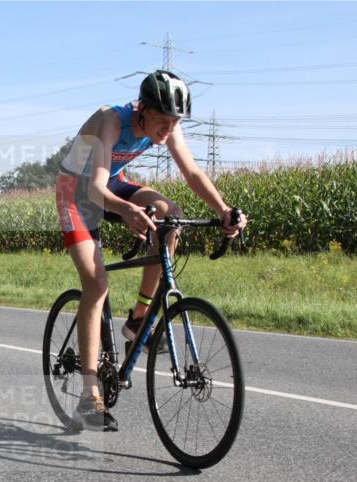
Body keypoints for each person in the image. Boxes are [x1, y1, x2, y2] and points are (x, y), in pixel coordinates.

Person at [56, 70, 248, 431]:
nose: (168, 128)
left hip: (112, 183)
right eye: (162, 120)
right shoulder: (111, 120)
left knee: (170, 216)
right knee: (96, 285)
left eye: (175, 121)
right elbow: (94, 188)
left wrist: (224, 211)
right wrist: (127, 210)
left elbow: (192, 173)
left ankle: (138, 320)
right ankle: (88, 394)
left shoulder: (168, 127)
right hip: (76, 193)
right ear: (142, 109)